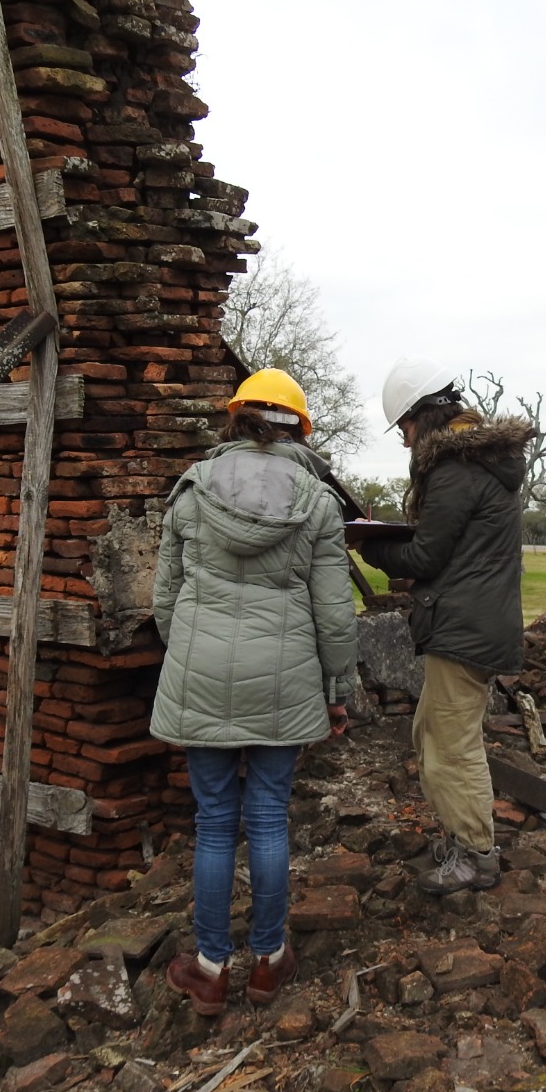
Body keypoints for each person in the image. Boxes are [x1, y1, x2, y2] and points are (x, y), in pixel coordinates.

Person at [150, 368, 357, 1016]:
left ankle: (210, 968)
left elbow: (165, 599)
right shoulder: (318, 503)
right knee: (267, 816)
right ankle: (269, 961)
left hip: (201, 673)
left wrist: (188, 649)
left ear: (236, 419)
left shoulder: (191, 493)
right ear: (300, 427)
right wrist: (338, 687)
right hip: (285, 676)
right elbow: (334, 613)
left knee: (214, 823)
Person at [355, 358, 535, 894]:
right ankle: (463, 840)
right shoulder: (479, 462)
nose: (405, 441)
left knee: (451, 747)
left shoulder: (456, 469)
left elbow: (428, 554)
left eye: (405, 428)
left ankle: (477, 855)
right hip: (472, 621)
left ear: (425, 415)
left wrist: (370, 544)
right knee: (433, 735)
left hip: (464, 626)